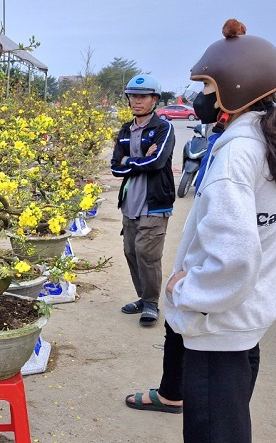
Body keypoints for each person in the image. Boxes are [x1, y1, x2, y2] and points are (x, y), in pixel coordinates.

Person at [155, 19, 276, 443]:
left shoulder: (233, 158)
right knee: (232, 411)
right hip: (252, 313)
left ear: (235, 88)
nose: (200, 95)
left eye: (206, 85)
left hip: (220, 320)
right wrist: (263, 267)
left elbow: (234, 257)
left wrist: (188, 291)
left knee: (213, 424)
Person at [110, 74, 176, 326]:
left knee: (147, 254)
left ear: (155, 99)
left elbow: (157, 161)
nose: (137, 101)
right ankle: (143, 296)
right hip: (130, 203)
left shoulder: (163, 128)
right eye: (133, 96)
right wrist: (132, 161)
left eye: (143, 96)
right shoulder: (126, 130)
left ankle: (150, 303)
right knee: (131, 252)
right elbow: (116, 167)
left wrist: (129, 161)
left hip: (155, 203)